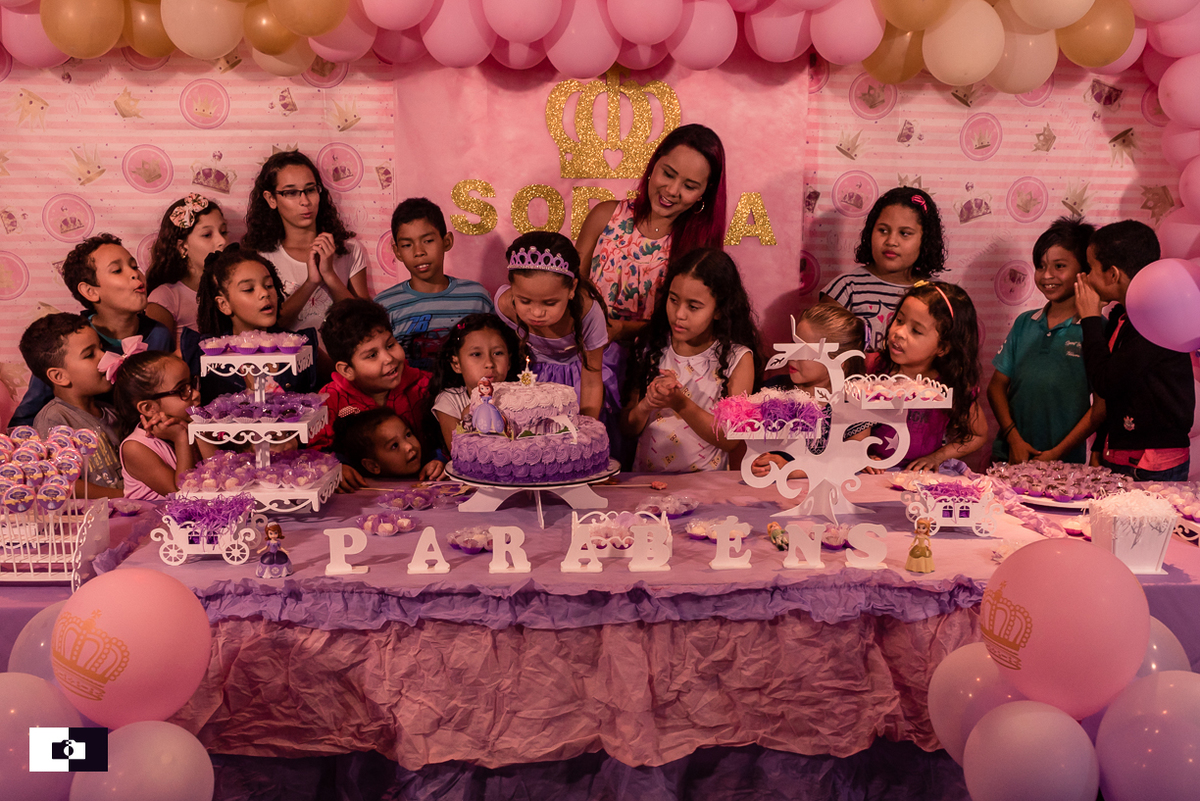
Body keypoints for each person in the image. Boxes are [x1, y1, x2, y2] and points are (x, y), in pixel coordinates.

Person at [577, 123, 727, 345]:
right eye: (668, 174)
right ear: (654, 164)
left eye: (689, 186)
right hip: (590, 351)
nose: (672, 190)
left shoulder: (699, 249)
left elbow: (690, 322)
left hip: (657, 358)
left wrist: (622, 329)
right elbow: (571, 286)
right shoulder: (604, 215)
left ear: (705, 192)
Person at [1075, 220, 1194, 481]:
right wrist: (1101, 444)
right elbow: (1119, 391)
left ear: (1113, 274)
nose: (1086, 278)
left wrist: (1090, 318)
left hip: (1151, 464)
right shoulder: (1124, 314)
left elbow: (1106, 382)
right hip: (1122, 453)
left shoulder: (1155, 319)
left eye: (1091, 268)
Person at [622, 248, 761, 472]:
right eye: (673, 300)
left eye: (693, 307)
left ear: (719, 310)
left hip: (705, 485)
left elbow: (731, 440)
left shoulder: (738, 359)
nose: (679, 314)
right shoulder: (651, 346)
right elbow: (628, 428)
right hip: (645, 483)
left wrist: (681, 403)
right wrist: (647, 404)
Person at [11, 234, 171, 426]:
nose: (135, 274)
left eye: (134, 266)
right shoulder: (70, 341)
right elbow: (26, 418)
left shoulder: (159, 335)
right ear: (90, 291)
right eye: (117, 270)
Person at [989, 217, 1103, 464]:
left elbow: (1101, 407)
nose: (1047, 275)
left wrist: (1056, 453)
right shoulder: (1025, 322)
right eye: (1040, 266)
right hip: (1009, 456)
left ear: (1084, 271)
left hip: (1064, 465)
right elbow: (996, 387)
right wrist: (1013, 439)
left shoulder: (1096, 330)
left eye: (1059, 266)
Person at [241, 150, 369, 340]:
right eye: (291, 193)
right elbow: (267, 326)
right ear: (271, 199)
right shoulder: (260, 259)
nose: (305, 201)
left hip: (344, 357)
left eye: (310, 190)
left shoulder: (349, 249)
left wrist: (329, 275)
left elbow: (367, 322)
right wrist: (311, 282)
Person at [864, 281, 988, 471]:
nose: (899, 333)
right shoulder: (872, 367)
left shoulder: (950, 385)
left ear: (942, 347)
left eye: (916, 330)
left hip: (918, 477)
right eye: (899, 320)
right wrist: (861, 454)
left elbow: (978, 434)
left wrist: (938, 457)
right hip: (872, 472)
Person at [494, 231, 614, 423]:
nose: (536, 313)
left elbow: (591, 382)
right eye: (525, 301)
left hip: (581, 377)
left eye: (550, 303)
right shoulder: (505, 306)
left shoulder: (588, 314)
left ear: (572, 289)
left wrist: (586, 428)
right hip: (533, 378)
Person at [181, 246, 319, 403]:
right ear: (224, 304)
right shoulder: (202, 351)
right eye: (248, 289)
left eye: (269, 285)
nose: (265, 293)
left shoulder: (300, 346)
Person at [820, 187, 947, 352]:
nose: (891, 241)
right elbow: (821, 352)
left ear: (925, 240)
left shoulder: (938, 294)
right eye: (883, 230)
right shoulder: (846, 289)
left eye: (905, 233)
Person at [373, 197, 493, 371]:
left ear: (446, 241)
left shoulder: (476, 297)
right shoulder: (385, 305)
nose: (419, 252)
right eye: (407, 245)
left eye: (428, 241)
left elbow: (494, 349)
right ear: (397, 251)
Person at [751, 303, 868, 477]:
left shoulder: (854, 405)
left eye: (805, 350)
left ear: (839, 361)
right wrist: (760, 465)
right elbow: (754, 451)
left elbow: (853, 460)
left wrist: (792, 470)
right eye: (793, 344)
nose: (792, 355)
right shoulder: (772, 393)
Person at [20, 313, 123, 497]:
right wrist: (125, 496)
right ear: (59, 376)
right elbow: (60, 481)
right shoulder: (54, 419)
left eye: (101, 348)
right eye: (90, 355)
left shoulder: (112, 411)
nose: (104, 357)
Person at [311, 298, 432, 454]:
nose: (388, 358)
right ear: (347, 370)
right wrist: (340, 465)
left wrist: (438, 460)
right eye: (372, 355)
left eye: (390, 345)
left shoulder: (426, 386)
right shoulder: (329, 401)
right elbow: (317, 452)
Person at [114, 351, 209, 500]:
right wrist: (181, 438)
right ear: (148, 408)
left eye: (192, 384)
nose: (196, 394)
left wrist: (195, 428)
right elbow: (182, 494)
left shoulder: (189, 424)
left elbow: (219, 467)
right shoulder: (135, 448)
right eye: (182, 389)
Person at [427, 313, 521, 451]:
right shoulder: (449, 401)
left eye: (498, 353)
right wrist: (473, 409)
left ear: (509, 361)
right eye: (476, 354)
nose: (489, 363)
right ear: (456, 364)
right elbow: (458, 450)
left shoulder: (521, 395)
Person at [145, 193, 228, 348]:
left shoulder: (233, 289)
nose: (222, 241)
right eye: (207, 235)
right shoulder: (166, 298)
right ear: (183, 247)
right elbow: (155, 359)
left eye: (223, 232)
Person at [333, 406, 444, 480]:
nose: (409, 446)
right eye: (394, 445)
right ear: (373, 466)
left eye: (408, 435)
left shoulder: (431, 461)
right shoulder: (368, 493)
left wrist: (439, 460)